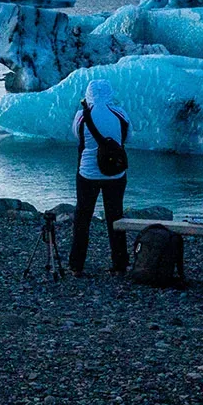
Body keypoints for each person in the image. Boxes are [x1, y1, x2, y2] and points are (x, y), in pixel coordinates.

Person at [68, 78, 131, 275]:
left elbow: (77, 136)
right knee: (115, 216)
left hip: (88, 173)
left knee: (83, 217)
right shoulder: (120, 114)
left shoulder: (82, 115)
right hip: (116, 173)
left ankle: (77, 265)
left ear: (88, 94)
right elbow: (128, 138)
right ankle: (120, 263)